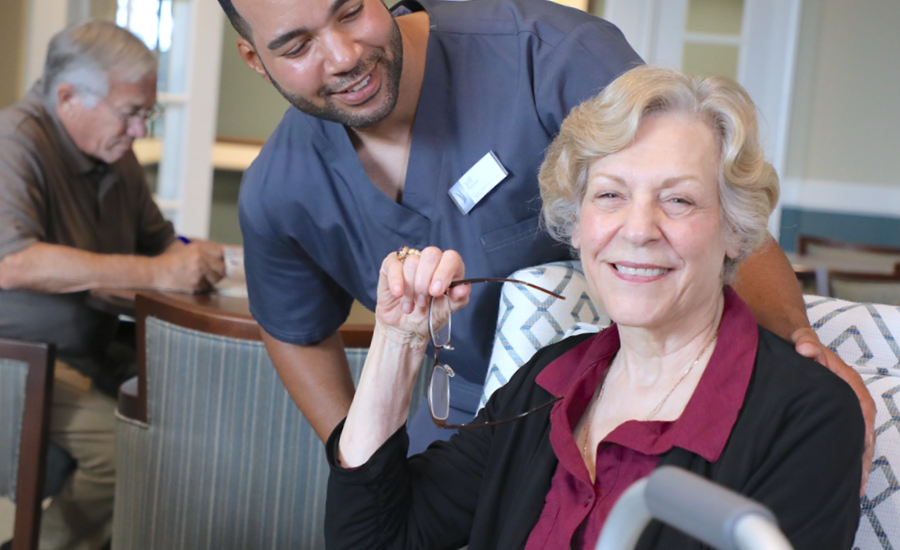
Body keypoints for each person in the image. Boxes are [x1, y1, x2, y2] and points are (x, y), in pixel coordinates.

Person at [219, 0, 873, 462]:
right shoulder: (281, 189)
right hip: (463, 428)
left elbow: (705, 207)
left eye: (350, 9)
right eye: (297, 45)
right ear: (254, 57)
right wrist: (362, 455)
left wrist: (799, 344)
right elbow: (294, 327)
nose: (343, 55)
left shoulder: (546, 56)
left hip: (634, 393)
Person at [326, 66, 865, 550]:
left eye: (678, 200)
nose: (637, 230)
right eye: (610, 195)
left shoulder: (808, 416)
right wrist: (398, 339)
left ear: (733, 230)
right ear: (578, 222)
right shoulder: (546, 382)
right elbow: (376, 539)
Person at [0, 21, 225, 550]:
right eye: (130, 113)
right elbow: (13, 263)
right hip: (22, 360)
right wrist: (157, 273)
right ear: (68, 97)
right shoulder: (15, 142)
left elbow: (164, 242)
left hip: (96, 349)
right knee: (128, 457)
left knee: (199, 420)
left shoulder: (115, 156)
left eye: (147, 114)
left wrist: (192, 258)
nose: (140, 132)